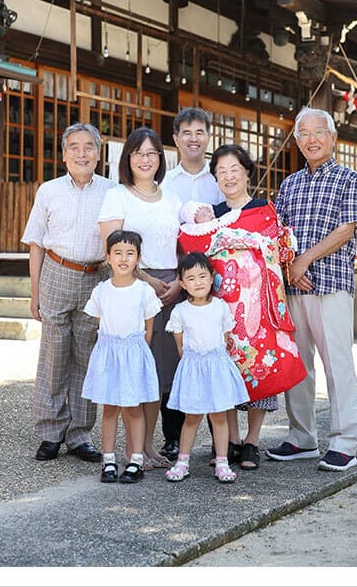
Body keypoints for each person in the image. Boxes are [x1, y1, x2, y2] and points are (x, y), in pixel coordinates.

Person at [178, 144, 306, 471]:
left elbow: (278, 249)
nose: (229, 177)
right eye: (221, 172)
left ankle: (252, 441)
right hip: (221, 308)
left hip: (259, 305)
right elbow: (197, 252)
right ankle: (231, 439)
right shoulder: (210, 215)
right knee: (227, 369)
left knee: (259, 366)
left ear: (247, 172)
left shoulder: (264, 209)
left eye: (235, 169)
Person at [266, 107, 357, 472]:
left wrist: (303, 260)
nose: (311, 139)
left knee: (337, 364)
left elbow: (346, 230)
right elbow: (278, 233)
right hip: (294, 289)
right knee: (299, 366)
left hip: (331, 286)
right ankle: (302, 437)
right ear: (296, 141)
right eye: (303, 133)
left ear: (333, 137)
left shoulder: (349, 178)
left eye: (318, 132)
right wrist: (288, 267)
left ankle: (344, 442)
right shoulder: (289, 183)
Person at [21, 123, 113, 463]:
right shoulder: (48, 190)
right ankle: (49, 433)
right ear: (63, 155)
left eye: (89, 146)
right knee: (54, 356)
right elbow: (35, 243)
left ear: (98, 153)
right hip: (57, 273)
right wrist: (35, 293)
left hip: (96, 276)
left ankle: (79, 435)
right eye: (74, 147)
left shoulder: (111, 191)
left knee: (86, 358)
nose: (82, 153)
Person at [97, 126, 182, 469]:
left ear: (160, 159)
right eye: (138, 154)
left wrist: (177, 282)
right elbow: (112, 245)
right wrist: (146, 279)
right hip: (134, 287)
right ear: (127, 158)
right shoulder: (117, 195)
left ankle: (147, 446)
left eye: (151, 154)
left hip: (172, 287)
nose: (145, 160)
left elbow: (182, 246)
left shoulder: (173, 198)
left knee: (160, 374)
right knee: (135, 370)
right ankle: (133, 449)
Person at [159, 107, 225, 460]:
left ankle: (222, 442)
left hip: (217, 278)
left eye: (200, 131)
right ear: (176, 139)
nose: (194, 138)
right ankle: (172, 435)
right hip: (177, 277)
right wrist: (174, 281)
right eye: (187, 132)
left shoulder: (220, 178)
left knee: (217, 353)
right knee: (175, 356)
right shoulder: (166, 183)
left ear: (208, 136)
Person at [81, 230, 161, 484]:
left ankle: (136, 459)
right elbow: (100, 320)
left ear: (138, 258)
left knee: (133, 408)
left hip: (133, 355)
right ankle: (109, 459)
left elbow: (149, 327)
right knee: (109, 409)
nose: (124, 259)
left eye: (130, 253)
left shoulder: (144, 291)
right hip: (108, 355)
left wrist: (137, 355)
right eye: (118, 253)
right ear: (108, 258)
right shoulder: (101, 291)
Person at [164, 252, 250, 484]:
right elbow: (180, 346)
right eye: (191, 278)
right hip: (193, 369)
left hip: (216, 368)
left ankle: (222, 462)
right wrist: (195, 364)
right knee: (191, 418)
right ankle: (182, 462)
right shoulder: (180, 311)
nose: (198, 282)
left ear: (212, 278)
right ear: (182, 283)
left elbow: (225, 337)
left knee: (219, 416)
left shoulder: (220, 307)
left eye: (203, 276)